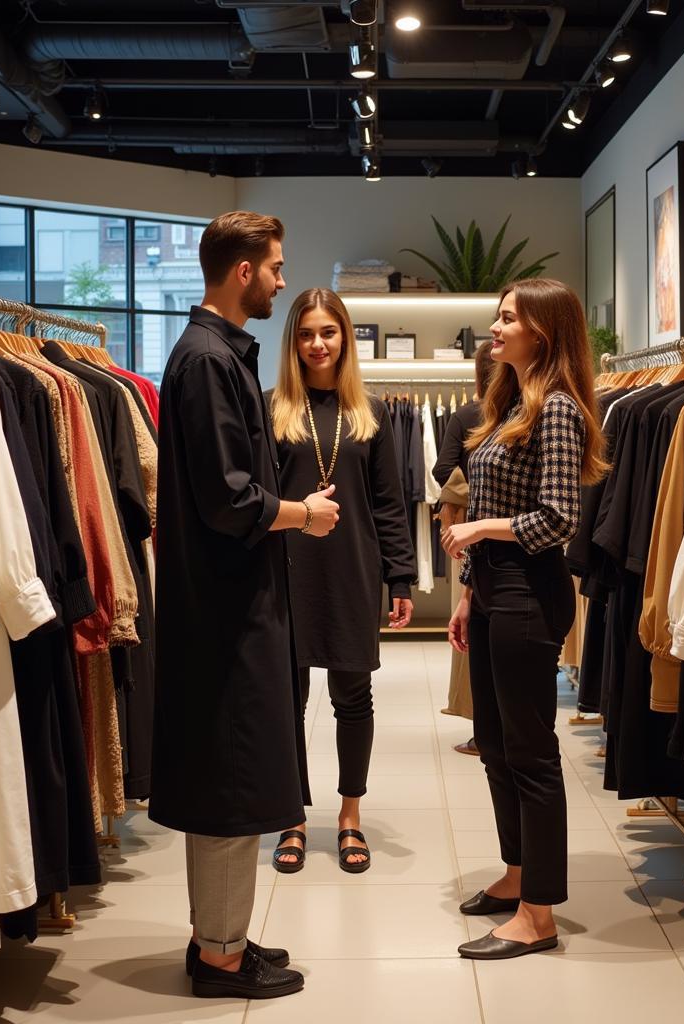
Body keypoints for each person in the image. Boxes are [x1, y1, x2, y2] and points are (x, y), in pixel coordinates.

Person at [150, 212, 340, 1000]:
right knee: (229, 787)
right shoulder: (205, 362)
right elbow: (229, 500)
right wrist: (304, 513)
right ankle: (221, 958)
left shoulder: (217, 356)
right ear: (241, 274)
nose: (282, 279)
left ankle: (219, 940)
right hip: (225, 616)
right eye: (275, 267)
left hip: (232, 605)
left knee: (232, 782)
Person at [441, 278, 607, 961]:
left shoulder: (559, 410)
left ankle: (540, 915)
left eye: (508, 318)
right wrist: (467, 593)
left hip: (528, 596)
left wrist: (481, 527)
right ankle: (516, 878)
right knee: (497, 745)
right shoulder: (509, 402)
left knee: (531, 753)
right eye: (498, 316)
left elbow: (559, 517)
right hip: (493, 593)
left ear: (543, 331)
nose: (496, 328)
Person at [270, 288, 417, 874]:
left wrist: (401, 577)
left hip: (353, 568)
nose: (317, 344)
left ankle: (350, 815)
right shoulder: (269, 409)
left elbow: (389, 505)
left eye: (328, 332)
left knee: (353, 698)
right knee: (287, 700)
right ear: (293, 342)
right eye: (306, 333)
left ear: (345, 338)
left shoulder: (371, 414)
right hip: (285, 570)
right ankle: (291, 817)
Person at [432, 340, 495, 756]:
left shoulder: (466, 415)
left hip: (471, 527)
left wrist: (472, 493)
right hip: (515, 531)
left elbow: (441, 469)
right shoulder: (528, 413)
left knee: (471, 619)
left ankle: (481, 728)